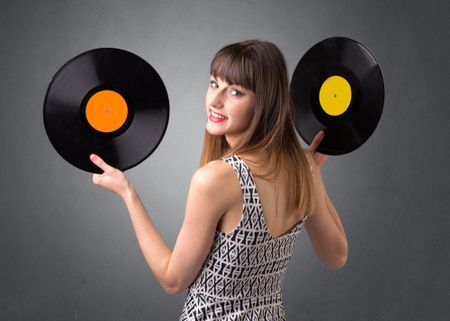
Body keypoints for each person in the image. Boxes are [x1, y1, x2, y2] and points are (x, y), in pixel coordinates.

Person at [89, 39, 348, 320]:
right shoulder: (304, 169)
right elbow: (336, 257)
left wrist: (129, 195)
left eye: (235, 91)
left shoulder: (215, 179)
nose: (215, 100)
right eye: (214, 83)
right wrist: (311, 171)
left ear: (266, 103)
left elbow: (173, 280)